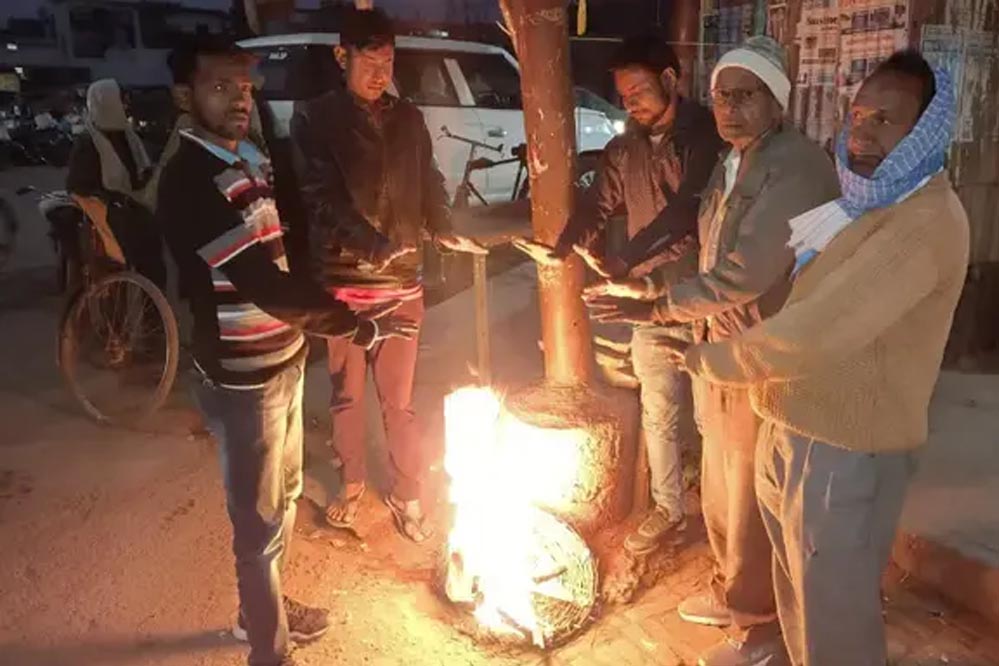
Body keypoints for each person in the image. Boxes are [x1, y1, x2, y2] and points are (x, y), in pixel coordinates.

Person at [670, 51, 966, 666]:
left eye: (885, 120)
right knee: (799, 596)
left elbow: (819, 329)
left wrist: (711, 359)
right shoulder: (870, 203)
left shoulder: (924, 220)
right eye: (857, 115)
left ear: (926, 131)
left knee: (834, 618)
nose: (861, 133)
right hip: (796, 423)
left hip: (845, 446)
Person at [157, 35, 417, 666]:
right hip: (242, 376)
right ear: (184, 96)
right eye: (221, 86)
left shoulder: (246, 156)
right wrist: (353, 325)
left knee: (288, 491)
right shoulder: (189, 179)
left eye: (245, 88)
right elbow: (261, 283)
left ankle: (261, 608)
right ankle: (266, 649)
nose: (238, 99)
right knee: (258, 521)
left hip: (282, 358)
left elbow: (288, 251)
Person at [586, 36, 840, 666]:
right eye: (722, 95)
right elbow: (708, 258)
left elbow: (746, 273)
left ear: (777, 100)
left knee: (754, 496)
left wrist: (658, 308)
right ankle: (734, 593)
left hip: (763, 355)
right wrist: (649, 288)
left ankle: (761, 629)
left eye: (745, 95)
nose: (729, 108)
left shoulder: (795, 166)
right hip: (720, 346)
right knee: (724, 486)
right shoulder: (734, 161)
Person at [514, 33, 723, 556]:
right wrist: (564, 248)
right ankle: (669, 509)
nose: (630, 104)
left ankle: (721, 520)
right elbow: (597, 205)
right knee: (659, 407)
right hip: (646, 302)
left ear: (669, 79)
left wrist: (625, 259)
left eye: (639, 92)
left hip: (704, 294)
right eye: (624, 96)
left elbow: (686, 213)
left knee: (712, 416)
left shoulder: (705, 136)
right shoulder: (625, 148)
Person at [290, 7, 486, 543]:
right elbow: (320, 197)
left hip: (401, 284)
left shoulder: (408, 119)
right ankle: (353, 480)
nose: (381, 74)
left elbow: (429, 180)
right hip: (345, 284)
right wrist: (371, 246)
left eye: (388, 62)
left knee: (398, 400)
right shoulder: (314, 118)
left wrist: (442, 228)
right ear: (342, 56)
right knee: (347, 396)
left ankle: (408, 489)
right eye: (369, 62)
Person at [66, 78, 166, 287]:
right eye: (122, 100)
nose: (126, 105)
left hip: (131, 206)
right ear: (107, 102)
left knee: (153, 251)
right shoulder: (88, 142)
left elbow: (139, 171)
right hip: (107, 212)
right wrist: (110, 198)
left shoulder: (128, 136)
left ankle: (153, 303)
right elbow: (77, 186)